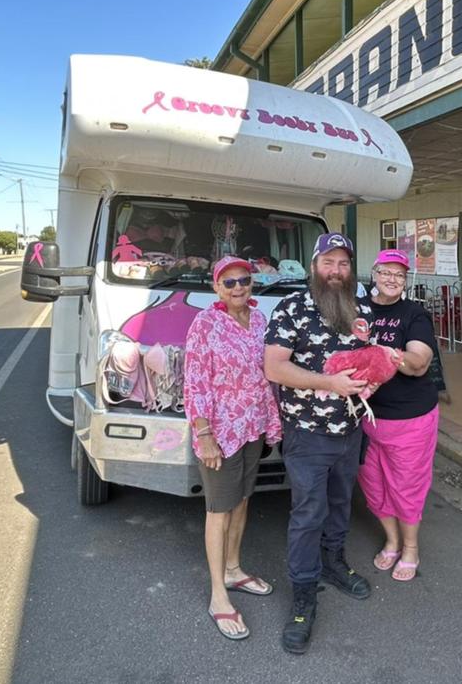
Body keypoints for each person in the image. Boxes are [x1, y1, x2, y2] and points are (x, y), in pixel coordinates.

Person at [264, 232, 393, 655]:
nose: (336, 272)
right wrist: (329, 383)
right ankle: (303, 595)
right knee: (308, 512)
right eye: (328, 263)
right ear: (314, 265)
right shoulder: (292, 308)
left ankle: (334, 563)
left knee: (340, 504)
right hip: (307, 433)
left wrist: (373, 377)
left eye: (342, 264)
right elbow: (275, 368)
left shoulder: (360, 308)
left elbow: (369, 354)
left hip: (351, 430)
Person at [184, 255, 282, 641]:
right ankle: (218, 595)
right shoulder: (205, 324)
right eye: (230, 283)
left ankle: (234, 568)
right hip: (221, 432)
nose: (239, 287)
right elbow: (194, 383)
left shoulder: (259, 320)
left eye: (244, 280)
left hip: (253, 425)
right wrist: (204, 434)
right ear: (216, 288)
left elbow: (267, 374)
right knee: (219, 509)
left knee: (242, 500)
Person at [357, 249, 438, 582]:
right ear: (374, 274)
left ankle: (411, 549)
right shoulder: (358, 310)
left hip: (409, 418)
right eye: (386, 272)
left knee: (406, 487)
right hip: (366, 417)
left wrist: (383, 354)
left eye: (399, 274)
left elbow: (418, 365)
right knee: (373, 485)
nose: (392, 279)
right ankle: (391, 540)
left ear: (406, 280)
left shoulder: (414, 314)